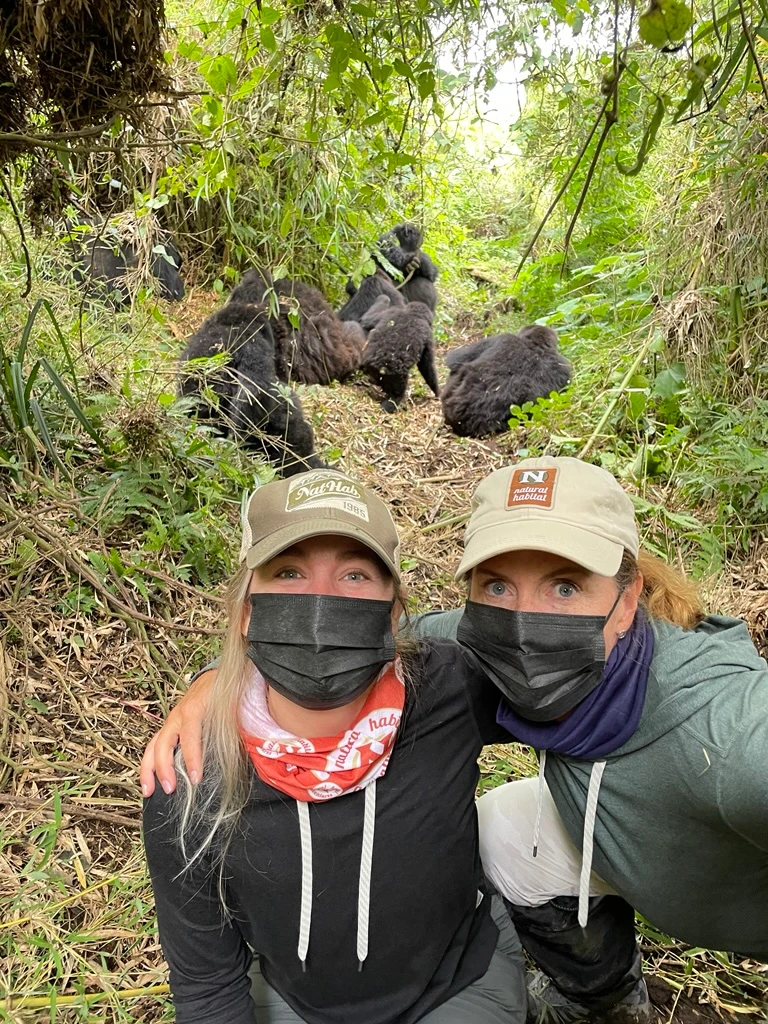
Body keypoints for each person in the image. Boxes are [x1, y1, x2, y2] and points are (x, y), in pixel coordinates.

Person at [143, 457, 768, 1023]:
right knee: (506, 827)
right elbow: (339, 637)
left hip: (721, 904)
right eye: (497, 586)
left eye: (566, 585)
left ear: (628, 599)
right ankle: (602, 997)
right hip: (312, 993)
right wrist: (219, 680)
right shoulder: (463, 661)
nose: (526, 624)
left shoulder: (728, 730)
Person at [142, 468, 526, 1024]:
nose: (321, 601)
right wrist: (212, 679)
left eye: (354, 575)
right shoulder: (192, 774)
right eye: (290, 572)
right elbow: (206, 984)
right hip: (295, 1003)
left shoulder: (450, 687)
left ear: (395, 613)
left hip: (459, 984)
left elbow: (547, 661)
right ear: (248, 609)